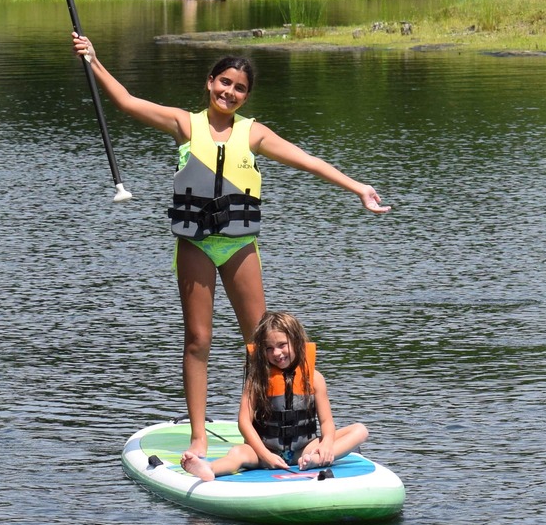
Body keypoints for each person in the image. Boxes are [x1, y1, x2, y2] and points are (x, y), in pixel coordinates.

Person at [71, 34, 390, 465]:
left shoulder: (252, 133)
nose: (230, 92)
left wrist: (357, 189)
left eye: (239, 88)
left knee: (262, 343)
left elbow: (309, 161)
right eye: (224, 83)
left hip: (240, 247)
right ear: (209, 82)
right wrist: (93, 59)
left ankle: (271, 429)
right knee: (198, 339)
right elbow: (127, 102)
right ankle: (198, 436)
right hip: (197, 245)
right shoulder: (185, 124)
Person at [182, 310, 371, 480]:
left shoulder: (315, 378)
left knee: (359, 430)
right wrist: (265, 455)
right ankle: (209, 468)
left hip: (303, 451)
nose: (277, 353)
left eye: (282, 345)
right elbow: (244, 422)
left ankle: (315, 459)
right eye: (269, 348)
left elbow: (326, 422)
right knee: (237, 453)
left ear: (296, 341)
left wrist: (327, 444)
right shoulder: (257, 380)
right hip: (265, 451)